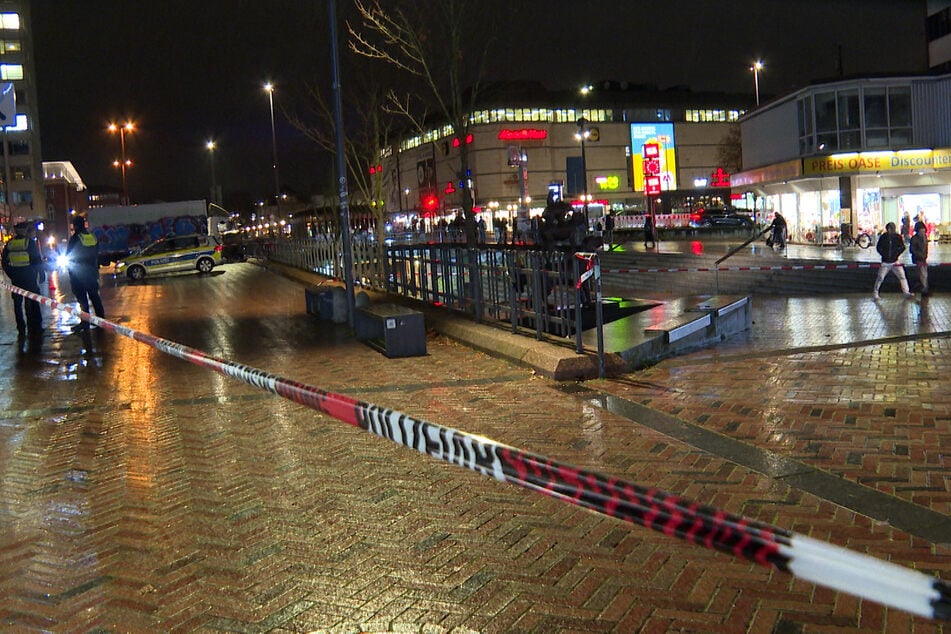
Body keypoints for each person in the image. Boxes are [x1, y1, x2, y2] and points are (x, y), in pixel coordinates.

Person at [1, 221, 43, 339]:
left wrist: (11, 274)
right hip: (29, 278)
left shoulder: (10, 244)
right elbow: (36, 260)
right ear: (24, 230)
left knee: (17, 304)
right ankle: (35, 326)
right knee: (33, 301)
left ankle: (21, 329)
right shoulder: (29, 243)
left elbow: (4, 262)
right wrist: (40, 274)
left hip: (16, 279)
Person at [66, 215, 105, 328]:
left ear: (75, 226)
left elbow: (70, 255)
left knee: (82, 299)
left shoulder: (75, 238)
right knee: (94, 296)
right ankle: (101, 319)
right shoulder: (92, 237)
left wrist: (71, 271)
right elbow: (96, 253)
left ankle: (85, 322)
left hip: (79, 273)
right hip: (92, 272)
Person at [873, 221, 913, 300]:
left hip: (895, 261)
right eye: (888, 228)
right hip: (886, 261)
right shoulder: (883, 237)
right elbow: (878, 247)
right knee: (880, 277)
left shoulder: (897, 237)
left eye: (890, 229)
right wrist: (884, 254)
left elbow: (902, 247)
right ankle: (875, 293)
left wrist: (896, 254)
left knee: (902, 276)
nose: (889, 230)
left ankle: (906, 292)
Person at [910, 220, 930, 296]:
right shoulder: (914, 239)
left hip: (923, 259)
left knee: (923, 274)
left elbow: (925, 248)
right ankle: (924, 289)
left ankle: (923, 288)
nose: (923, 232)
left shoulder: (924, 238)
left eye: (923, 231)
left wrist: (925, 256)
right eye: (921, 231)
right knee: (923, 274)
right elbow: (912, 250)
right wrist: (919, 255)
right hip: (918, 259)